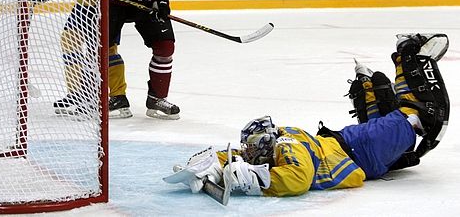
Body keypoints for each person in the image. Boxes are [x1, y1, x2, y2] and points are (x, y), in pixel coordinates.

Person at [166, 33, 450, 196]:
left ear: (267, 145)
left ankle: (411, 50)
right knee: (380, 92)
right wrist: (212, 163)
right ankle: (371, 84)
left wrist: (258, 181)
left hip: (363, 149)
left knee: (423, 116)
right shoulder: (274, 144)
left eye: (253, 149)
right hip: (358, 147)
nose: (248, 153)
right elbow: (241, 155)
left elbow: (298, 179)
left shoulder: (289, 150)